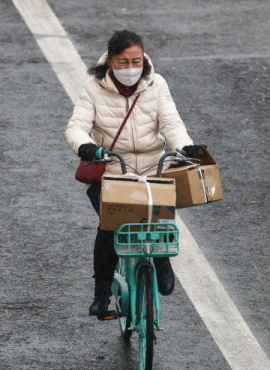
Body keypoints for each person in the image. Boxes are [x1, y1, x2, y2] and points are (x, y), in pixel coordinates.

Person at [65, 29, 205, 319]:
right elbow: (75, 127)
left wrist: (185, 146)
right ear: (110, 61)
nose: (131, 68)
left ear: (144, 58)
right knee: (111, 225)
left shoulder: (157, 84)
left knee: (160, 218)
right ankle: (102, 295)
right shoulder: (93, 88)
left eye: (136, 60)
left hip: (154, 168)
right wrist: (87, 147)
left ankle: (162, 259)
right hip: (112, 171)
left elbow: (171, 122)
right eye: (123, 62)